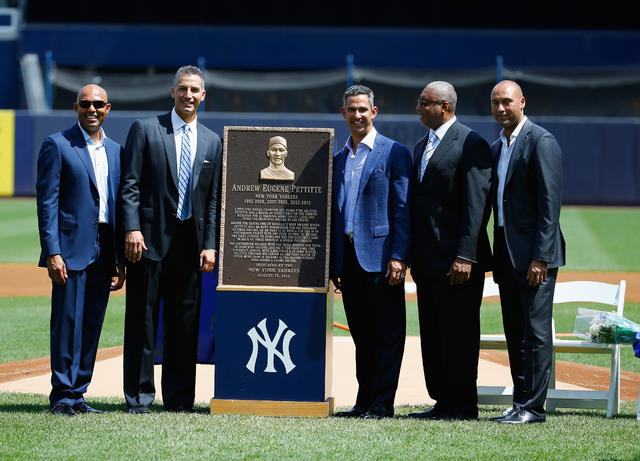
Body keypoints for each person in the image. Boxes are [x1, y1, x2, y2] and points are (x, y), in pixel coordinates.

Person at [119, 65, 222, 413]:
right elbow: (129, 185)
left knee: (184, 325)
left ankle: (179, 400)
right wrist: (131, 229)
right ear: (173, 92)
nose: (189, 95)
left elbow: (212, 200)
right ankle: (139, 397)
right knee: (142, 322)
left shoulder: (212, 140)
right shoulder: (146, 129)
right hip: (146, 243)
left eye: (195, 90)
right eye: (183, 89)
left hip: (190, 246)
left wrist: (210, 244)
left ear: (203, 95)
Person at [36, 84, 125, 416]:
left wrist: (118, 259)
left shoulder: (117, 151)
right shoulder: (57, 145)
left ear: (108, 108)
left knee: (91, 323)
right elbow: (47, 204)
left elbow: (117, 206)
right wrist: (52, 252)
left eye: (98, 104)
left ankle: (79, 392)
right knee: (67, 321)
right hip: (70, 249)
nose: (92, 109)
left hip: (104, 247)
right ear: (76, 107)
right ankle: (62, 394)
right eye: (86, 104)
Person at [407, 81, 492, 421]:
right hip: (427, 262)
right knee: (433, 333)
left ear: (444, 106)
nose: (418, 108)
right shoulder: (420, 146)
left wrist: (466, 255)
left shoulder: (471, 143)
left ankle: (462, 404)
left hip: (459, 263)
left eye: (423, 102)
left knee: (459, 334)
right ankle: (442, 400)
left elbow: (477, 205)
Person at [330, 85, 412, 419]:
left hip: (381, 259)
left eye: (363, 109)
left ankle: (382, 404)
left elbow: (403, 209)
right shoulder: (337, 158)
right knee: (362, 337)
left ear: (373, 113)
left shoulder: (394, 153)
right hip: (348, 259)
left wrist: (399, 256)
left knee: (387, 335)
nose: (357, 115)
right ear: (343, 113)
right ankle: (364, 401)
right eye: (351, 109)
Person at [489, 80, 565, 424]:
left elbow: (550, 205)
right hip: (506, 254)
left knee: (535, 333)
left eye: (507, 101)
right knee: (515, 332)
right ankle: (520, 403)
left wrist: (541, 257)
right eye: (495, 103)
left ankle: (534, 407)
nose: (501, 108)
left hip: (534, 257)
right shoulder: (497, 147)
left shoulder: (541, 141)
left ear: (522, 102)